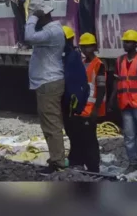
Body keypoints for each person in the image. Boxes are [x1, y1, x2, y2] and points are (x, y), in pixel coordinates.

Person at [24, 2, 66, 173]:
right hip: (46, 82)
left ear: (43, 16)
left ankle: (58, 163)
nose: (33, 21)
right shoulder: (51, 31)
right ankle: (56, 160)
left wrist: (33, 17)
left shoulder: (51, 31)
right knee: (49, 124)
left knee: (52, 124)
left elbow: (29, 37)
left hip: (49, 82)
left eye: (36, 17)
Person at [109, 30, 137, 170]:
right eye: (124, 41)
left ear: (135, 44)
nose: (125, 44)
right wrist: (112, 98)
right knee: (129, 136)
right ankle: (133, 163)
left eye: (128, 42)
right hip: (125, 103)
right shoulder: (120, 60)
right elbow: (117, 81)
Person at [71, 33, 105, 173]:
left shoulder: (99, 65)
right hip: (81, 108)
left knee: (90, 140)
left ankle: (93, 168)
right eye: (83, 47)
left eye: (88, 46)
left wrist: (96, 109)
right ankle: (81, 165)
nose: (85, 49)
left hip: (90, 109)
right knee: (80, 138)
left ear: (94, 47)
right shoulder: (82, 63)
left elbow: (101, 88)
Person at [60, 26, 90, 171]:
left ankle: (77, 159)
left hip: (73, 101)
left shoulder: (72, 57)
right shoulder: (70, 56)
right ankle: (75, 158)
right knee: (71, 130)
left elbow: (73, 81)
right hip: (71, 100)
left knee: (74, 131)